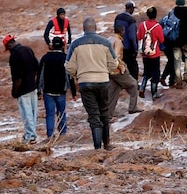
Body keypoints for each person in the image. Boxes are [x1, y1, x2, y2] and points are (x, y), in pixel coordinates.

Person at [66, 17, 119, 150]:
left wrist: (77, 76)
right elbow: (114, 63)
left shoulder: (75, 44)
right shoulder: (105, 42)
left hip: (85, 83)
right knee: (104, 112)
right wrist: (105, 71)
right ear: (95, 28)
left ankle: (97, 148)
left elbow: (68, 66)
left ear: (84, 29)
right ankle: (107, 144)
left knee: (93, 115)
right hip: (103, 81)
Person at [37, 35, 76, 138]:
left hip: (48, 92)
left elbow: (40, 75)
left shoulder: (45, 58)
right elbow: (70, 76)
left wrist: (38, 90)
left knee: (50, 114)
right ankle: (62, 133)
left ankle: (50, 135)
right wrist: (73, 92)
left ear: (52, 46)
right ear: (63, 46)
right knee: (61, 113)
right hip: (60, 92)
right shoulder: (65, 58)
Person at [3, 34, 39, 144]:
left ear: (9, 45)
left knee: (26, 113)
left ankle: (30, 135)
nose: (8, 50)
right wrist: (32, 81)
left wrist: (15, 91)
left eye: (7, 48)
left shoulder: (14, 56)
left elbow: (17, 77)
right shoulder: (28, 49)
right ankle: (32, 134)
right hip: (33, 86)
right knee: (33, 112)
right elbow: (36, 67)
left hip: (23, 90)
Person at [108, 23, 142, 116]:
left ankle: (108, 114)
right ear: (121, 32)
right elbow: (116, 56)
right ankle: (133, 108)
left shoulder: (110, 39)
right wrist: (122, 67)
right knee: (133, 84)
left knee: (114, 91)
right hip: (117, 70)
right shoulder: (118, 42)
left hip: (109, 70)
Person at [137, 7, 164, 100]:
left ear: (147, 15)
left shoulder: (142, 25)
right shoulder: (158, 26)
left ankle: (142, 87)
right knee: (155, 73)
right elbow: (161, 40)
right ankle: (154, 93)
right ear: (155, 15)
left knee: (146, 72)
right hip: (154, 54)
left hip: (145, 54)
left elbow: (139, 37)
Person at [114, 2, 139, 82]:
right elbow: (132, 36)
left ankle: (121, 83)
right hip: (129, 47)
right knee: (133, 66)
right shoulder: (131, 20)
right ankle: (134, 83)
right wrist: (135, 49)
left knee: (121, 65)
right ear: (131, 9)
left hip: (119, 45)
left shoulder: (118, 17)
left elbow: (115, 30)